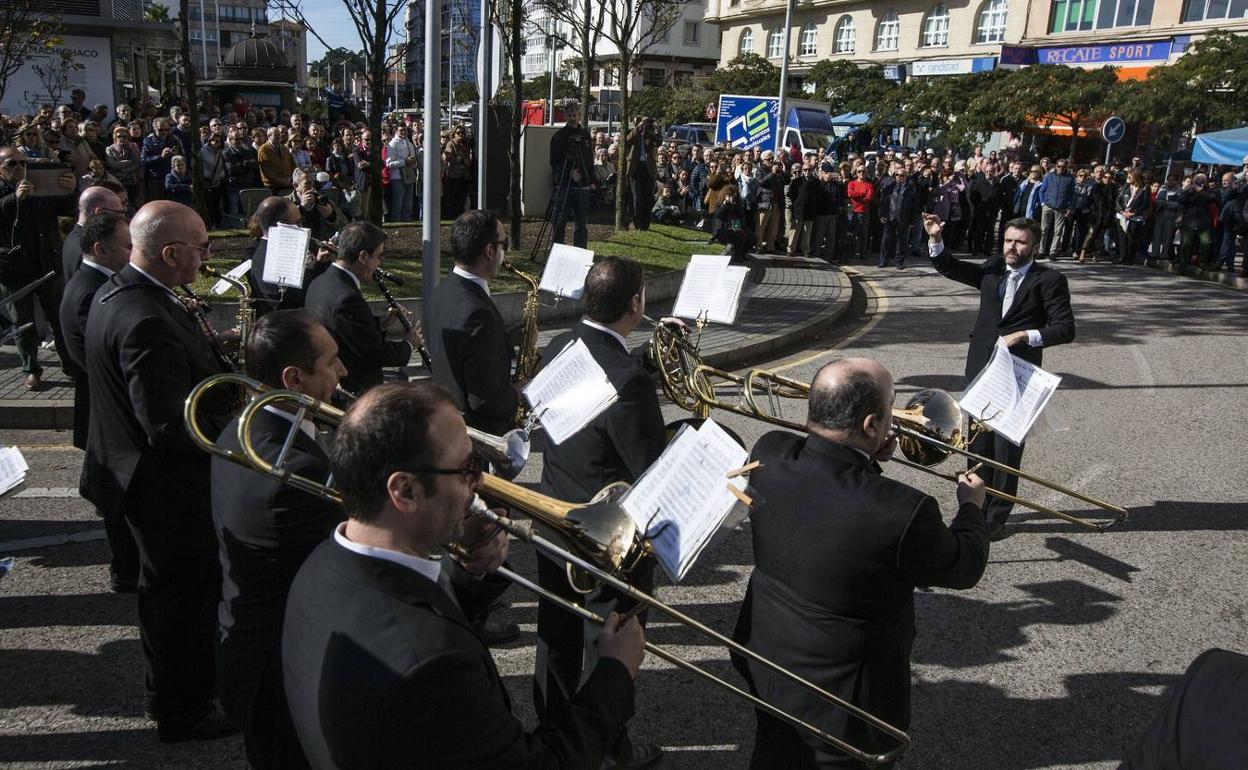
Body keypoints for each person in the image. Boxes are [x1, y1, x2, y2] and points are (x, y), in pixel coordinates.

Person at [281, 381, 646, 768]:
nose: (482, 484)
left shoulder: (321, 564)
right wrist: (614, 672)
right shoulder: (431, 664)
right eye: (468, 469)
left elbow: (412, 614)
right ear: (405, 492)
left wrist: (467, 578)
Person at [732, 358, 989, 769]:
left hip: (765, 659)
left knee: (775, 751)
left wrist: (867, 454)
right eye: (892, 409)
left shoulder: (769, 451)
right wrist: (971, 508)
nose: (897, 419)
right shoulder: (904, 510)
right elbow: (965, 565)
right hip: (846, 703)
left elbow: (825, 476)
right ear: (872, 425)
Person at [82, 201, 238, 742]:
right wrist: (239, 420)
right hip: (163, 488)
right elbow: (169, 424)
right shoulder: (145, 316)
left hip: (139, 476)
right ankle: (183, 708)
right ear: (171, 253)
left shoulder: (127, 293)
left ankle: (188, 693)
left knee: (174, 595)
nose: (206, 256)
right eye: (201, 247)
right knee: (180, 600)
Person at [535, 256, 674, 769]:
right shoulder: (628, 381)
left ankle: (552, 732)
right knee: (618, 640)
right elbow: (651, 471)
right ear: (636, 304)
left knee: (557, 638)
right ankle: (612, 743)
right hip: (604, 532)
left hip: (552, 514)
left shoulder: (560, 345)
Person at [211, 310, 348, 769]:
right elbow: (352, 567)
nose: (342, 372)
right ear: (294, 378)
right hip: (284, 668)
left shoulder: (244, 427)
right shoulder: (295, 471)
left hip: (252, 642)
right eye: (331, 362)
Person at [924, 214, 1075, 539]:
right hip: (981, 368)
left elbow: (1065, 329)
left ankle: (997, 515)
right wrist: (936, 239)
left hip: (1017, 375)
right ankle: (973, 508)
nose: (1012, 247)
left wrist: (1024, 335)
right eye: (1008, 240)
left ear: (1034, 245)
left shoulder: (1049, 280)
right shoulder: (993, 268)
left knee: (1006, 448)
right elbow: (953, 267)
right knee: (977, 444)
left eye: (1020, 242)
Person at [57, 211, 140, 594]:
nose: (133, 252)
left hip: (106, 408)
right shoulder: (92, 290)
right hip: (108, 410)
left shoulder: (97, 282)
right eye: (127, 246)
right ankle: (126, 572)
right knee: (120, 509)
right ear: (98, 249)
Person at [424, 210, 521, 437]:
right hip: (478, 437)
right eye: (503, 244)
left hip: (450, 421)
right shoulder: (478, 313)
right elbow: (484, 401)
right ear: (489, 251)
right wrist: (519, 393)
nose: (504, 252)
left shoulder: (441, 293)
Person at [304, 220, 421, 394]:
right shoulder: (347, 297)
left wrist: (381, 323)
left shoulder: (321, 281)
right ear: (363, 256)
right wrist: (409, 345)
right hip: (353, 388)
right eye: (379, 256)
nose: (379, 264)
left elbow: (348, 330)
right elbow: (373, 352)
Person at [0, 146, 78, 390]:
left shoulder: (39, 185)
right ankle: (31, 369)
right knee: (23, 323)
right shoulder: (8, 193)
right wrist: (15, 198)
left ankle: (71, 366)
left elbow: (66, 209)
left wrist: (69, 190)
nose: (19, 168)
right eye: (11, 164)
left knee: (59, 317)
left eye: (23, 163)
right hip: (13, 269)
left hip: (47, 265)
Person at [549, 106, 594, 249]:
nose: (572, 118)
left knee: (581, 223)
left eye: (574, 114)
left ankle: (580, 252)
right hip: (565, 186)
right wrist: (568, 172)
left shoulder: (585, 135)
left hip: (583, 186)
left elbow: (589, 159)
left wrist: (590, 179)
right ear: (565, 117)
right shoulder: (559, 136)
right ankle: (558, 250)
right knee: (559, 222)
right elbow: (554, 161)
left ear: (579, 115)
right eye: (569, 115)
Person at [63, 185, 126, 281]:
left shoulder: (74, 238)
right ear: (99, 212)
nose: (123, 217)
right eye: (120, 212)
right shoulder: (87, 246)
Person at [625, 117, 661, 231]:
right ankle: (637, 224)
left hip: (647, 168)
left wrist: (653, 130)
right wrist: (639, 127)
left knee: (648, 197)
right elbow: (627, 140)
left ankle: (646, 224)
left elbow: (658, 141)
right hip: (635, 168)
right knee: (638, 198)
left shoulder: (649, 133)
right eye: (642, 122)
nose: (644, 124)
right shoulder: (633, 132)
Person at [878, 167, 918, 269]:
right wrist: (881, 215)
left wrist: (912, 221)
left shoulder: (910, 189)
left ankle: (899, 262)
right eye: (897, 175)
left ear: (906, 177)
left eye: (902, 175)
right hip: (889, 217)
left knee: (902, 241)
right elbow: (882, 202)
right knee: (886, 240)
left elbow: (914, 206)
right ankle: (883, 260)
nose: (899, 177)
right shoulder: (889, 187)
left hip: (903, 218)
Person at [1038, 158, 1074, 259]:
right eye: (1059, 166)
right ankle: (1041, 251)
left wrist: (1070, 206)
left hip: (1061, 207)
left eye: (1063, 167)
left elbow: (1072, 194)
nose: (1061, 168)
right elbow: (1042, 190)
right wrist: (1042, 203)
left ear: (1066, 167)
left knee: (1058, 231)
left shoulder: (1070, 178)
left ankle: (1053, 252)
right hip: (1048, 205)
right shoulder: (1049, 176)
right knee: (1044, 229)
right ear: (1055, 166)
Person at [139, 118, 179, 203]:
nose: (164, 132)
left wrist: (176, 155)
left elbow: (183, 156)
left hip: (172, 177)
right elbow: (143, 161)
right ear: (155, 129)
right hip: (156, 179)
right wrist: (160, 157)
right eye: (161, 130)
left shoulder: (174, 139)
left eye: (167, 129)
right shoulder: (148, 141)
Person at [258, 126, 295, 196]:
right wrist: (280, 181)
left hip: (287, 184)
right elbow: (266, 170)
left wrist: (290, 178)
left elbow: (293, 164)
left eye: (279, 134)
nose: (279, 137)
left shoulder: (284, 148)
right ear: (269, 136)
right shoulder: (263, 150)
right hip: (272, 187)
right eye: (276, 135)